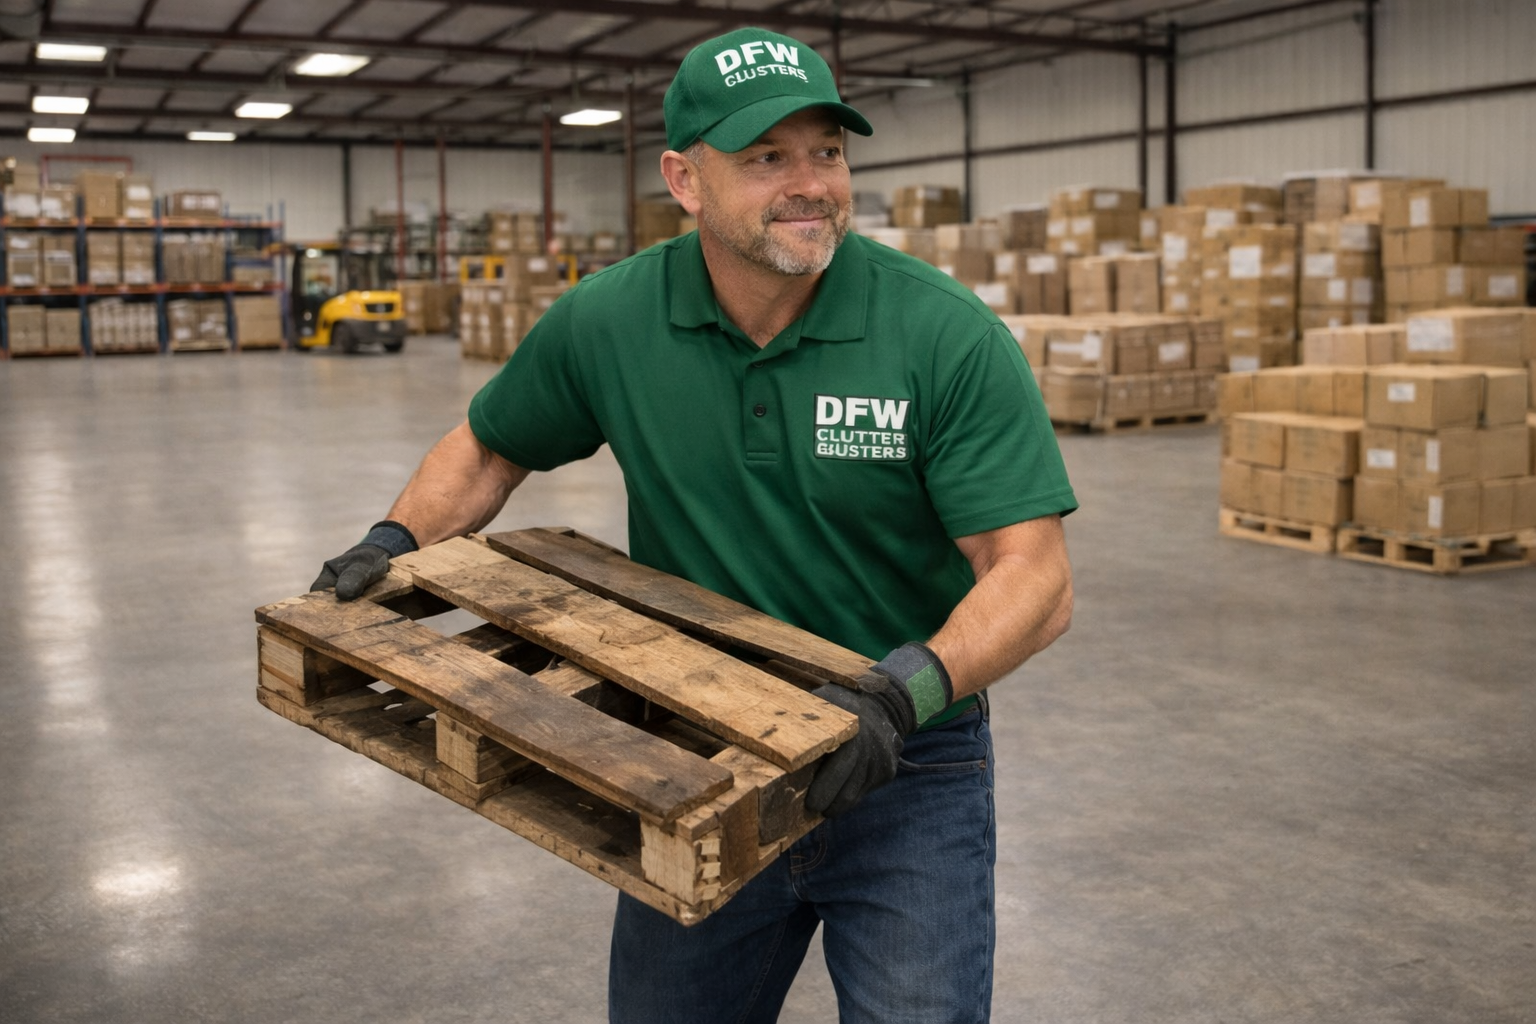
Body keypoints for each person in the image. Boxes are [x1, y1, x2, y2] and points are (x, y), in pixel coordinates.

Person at [312, 26, 1076, 1024]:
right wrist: (394, 540)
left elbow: (1035, 572)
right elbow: (490, 446)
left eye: (828, 152)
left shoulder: (942, 335)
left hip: (903, 764)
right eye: (766, 157)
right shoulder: (613, 320)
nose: (811, 184)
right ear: (684, 179)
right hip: (695, 752)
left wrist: (903, 693)